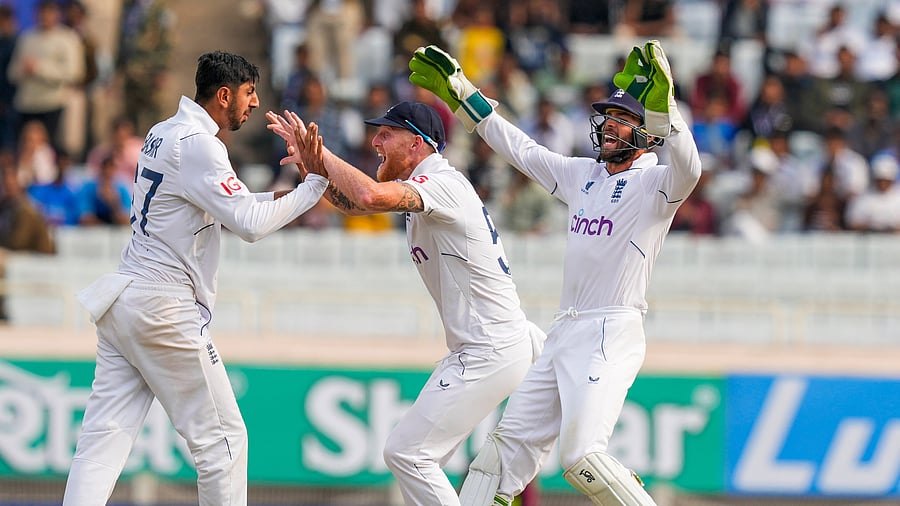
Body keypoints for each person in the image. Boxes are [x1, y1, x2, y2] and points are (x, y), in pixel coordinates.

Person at [408, 40, 700, 505]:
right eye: (608, 116)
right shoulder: (584, 175)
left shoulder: (655, 184)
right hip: (564, 330)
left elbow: (690, 169)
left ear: (649, 134)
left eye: (624, 119)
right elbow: (520, 149)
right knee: (497, 460)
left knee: (582, 456)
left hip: (611, 328)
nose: (609, 125)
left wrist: (669, 112)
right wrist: (462, 94)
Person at [62, 51, 329, 505]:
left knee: (102, 441)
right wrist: (315, 186)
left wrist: (293, 192)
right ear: (224, 95)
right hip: (163, 308)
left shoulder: (164, 132)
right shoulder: (201, 145)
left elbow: (229, 202)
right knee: (224, 444)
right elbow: (248, 223)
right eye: (248, 93)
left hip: (125, 298)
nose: (255, 102)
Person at [267, 100, 545, 506]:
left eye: (385, 134)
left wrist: (321, 151)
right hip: (486, 346)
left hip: (491, 348)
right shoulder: (424, 189)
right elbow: (357, 205)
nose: (374, 141)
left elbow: (369, 194)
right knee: (418, 456)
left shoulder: (442, 183)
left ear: (417, 143)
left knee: (407, 453)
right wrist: (312, 167)